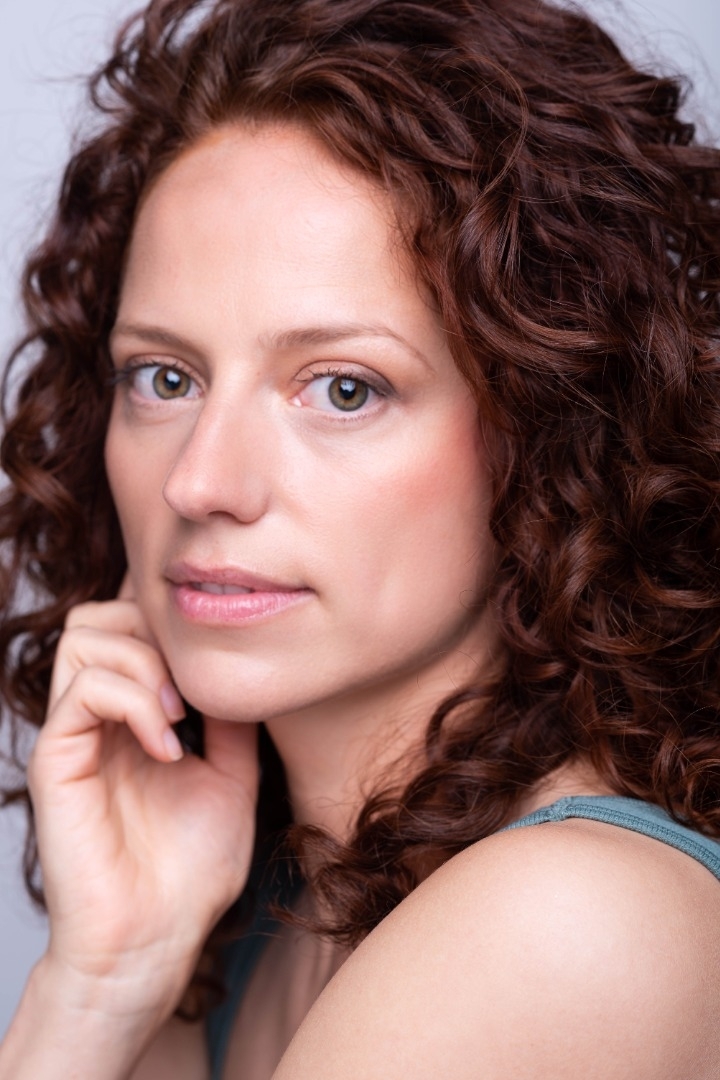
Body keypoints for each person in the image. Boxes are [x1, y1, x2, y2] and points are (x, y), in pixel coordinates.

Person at [0, 0, 719, 1075]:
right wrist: (100, 985)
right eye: (165, 378)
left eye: (343, 389)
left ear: (547, 430)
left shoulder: (563, 927)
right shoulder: (265, 902)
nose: (201, 482)